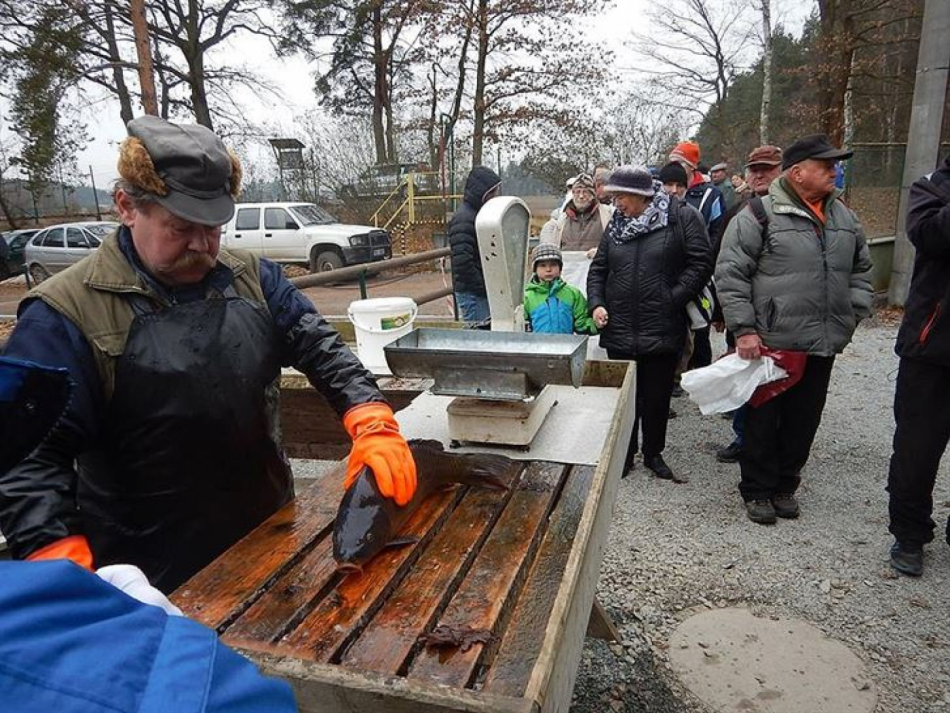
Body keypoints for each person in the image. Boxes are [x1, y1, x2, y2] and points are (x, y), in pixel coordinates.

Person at [0, 115, 418, 593]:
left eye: (214, 228)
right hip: (143, 578)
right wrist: (57, 556)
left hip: (269, 541)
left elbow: (321, 347)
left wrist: (371, 416)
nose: (201, 245)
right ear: (126, 206)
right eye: (180, 228)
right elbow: (26, 457)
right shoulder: (64, 314)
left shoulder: (254, 279)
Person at [0, 357, 297, 713]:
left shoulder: (258, 297)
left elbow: (312, 341)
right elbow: (32, 461)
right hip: (146, 556)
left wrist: (365, 412)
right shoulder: (59, 316)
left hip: (261, 539)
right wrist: (61, 564)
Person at [716, 134, 873, 525]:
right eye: (826, 166)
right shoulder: (757, 214)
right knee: (763, 420)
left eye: (835, 165)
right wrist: (745, 330)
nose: (834, 172)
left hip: (822, 341)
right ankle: (757, 490)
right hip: (772, 341)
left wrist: (851, 314)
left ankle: (786, 485)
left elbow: (862, 271)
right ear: (798, 173)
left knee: (805, 419)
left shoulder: (844, 218)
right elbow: (731, 274)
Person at [587, 166, 712, 483]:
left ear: (641, 195)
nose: (616, 204)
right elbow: (598, 269)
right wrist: (597, 303)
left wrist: (672, 297)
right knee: (625, 397)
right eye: (613, 197)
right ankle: (625, 454)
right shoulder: (617, 225)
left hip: (662, 323)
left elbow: (701, 261)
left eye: (620, 196)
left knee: (656, 396)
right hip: (620, 325)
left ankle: (654, 453)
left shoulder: (680, 217)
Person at [886, 153, 950, 577]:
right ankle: (910, 534)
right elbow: (928, 234)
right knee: (916, 450)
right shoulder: (932, 186)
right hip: (931, 349)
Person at [713, 145, 784, 465]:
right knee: (746, 377)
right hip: (744, 315)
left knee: (781, 383)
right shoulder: (738, 211)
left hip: (786, 318)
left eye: (767, 168)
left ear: (784, 171)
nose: (759, 174)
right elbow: (721, 264)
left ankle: (777, 448)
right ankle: (744, 437)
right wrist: (719, 311)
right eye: (754, 168)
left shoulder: (799, 211)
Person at [670, 141, 724, 372]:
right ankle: (675, 374)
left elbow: (717, 232)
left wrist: (703, 266)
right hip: (673, 272)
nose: (674, 168)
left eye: (679, 163)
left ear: (691, 166)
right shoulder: (666, 191)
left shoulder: (711, 194)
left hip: (700, 271)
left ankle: (701, 371)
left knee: (700, 322)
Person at [448, 166, 501, 324]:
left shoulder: (479, 215)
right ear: (481, 192)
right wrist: (484, 287)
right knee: (478, 339)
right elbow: (463, 262)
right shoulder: (465, 219)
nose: (494, 196)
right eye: (491, 193)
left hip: (480, 290)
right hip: (474, 293)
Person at [524, 243, 597, 335]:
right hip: (536, 348)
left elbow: (582, 324)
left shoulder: (573, 294)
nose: (548, 269)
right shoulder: (527, 297)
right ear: (535, 269)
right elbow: (520, 327)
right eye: (543, 265)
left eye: (553, 265)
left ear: (560, 268)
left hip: (567, 347)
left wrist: (597, 324)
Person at [541, 174, 614, 255]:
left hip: (598, 266)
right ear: (573, 194)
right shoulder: (561, 218)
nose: (581, 196)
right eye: (577, 192)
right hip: (567, 266)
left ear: (593, 195)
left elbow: (616, 244)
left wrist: (601, 252)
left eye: (585, 192)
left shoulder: (607, 214)